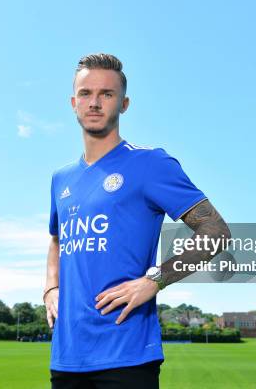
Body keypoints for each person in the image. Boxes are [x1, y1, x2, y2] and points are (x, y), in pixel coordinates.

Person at [44, 53, 230, 388]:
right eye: (86, 94)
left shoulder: (150, 163)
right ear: (74, 103)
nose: (95, 103)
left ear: (124, 104)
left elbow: (215, 230)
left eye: (107, 94)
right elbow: (56, 239)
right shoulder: (61, 179)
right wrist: (50, 287)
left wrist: (154, 280)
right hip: (67, 356)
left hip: (126, 356)